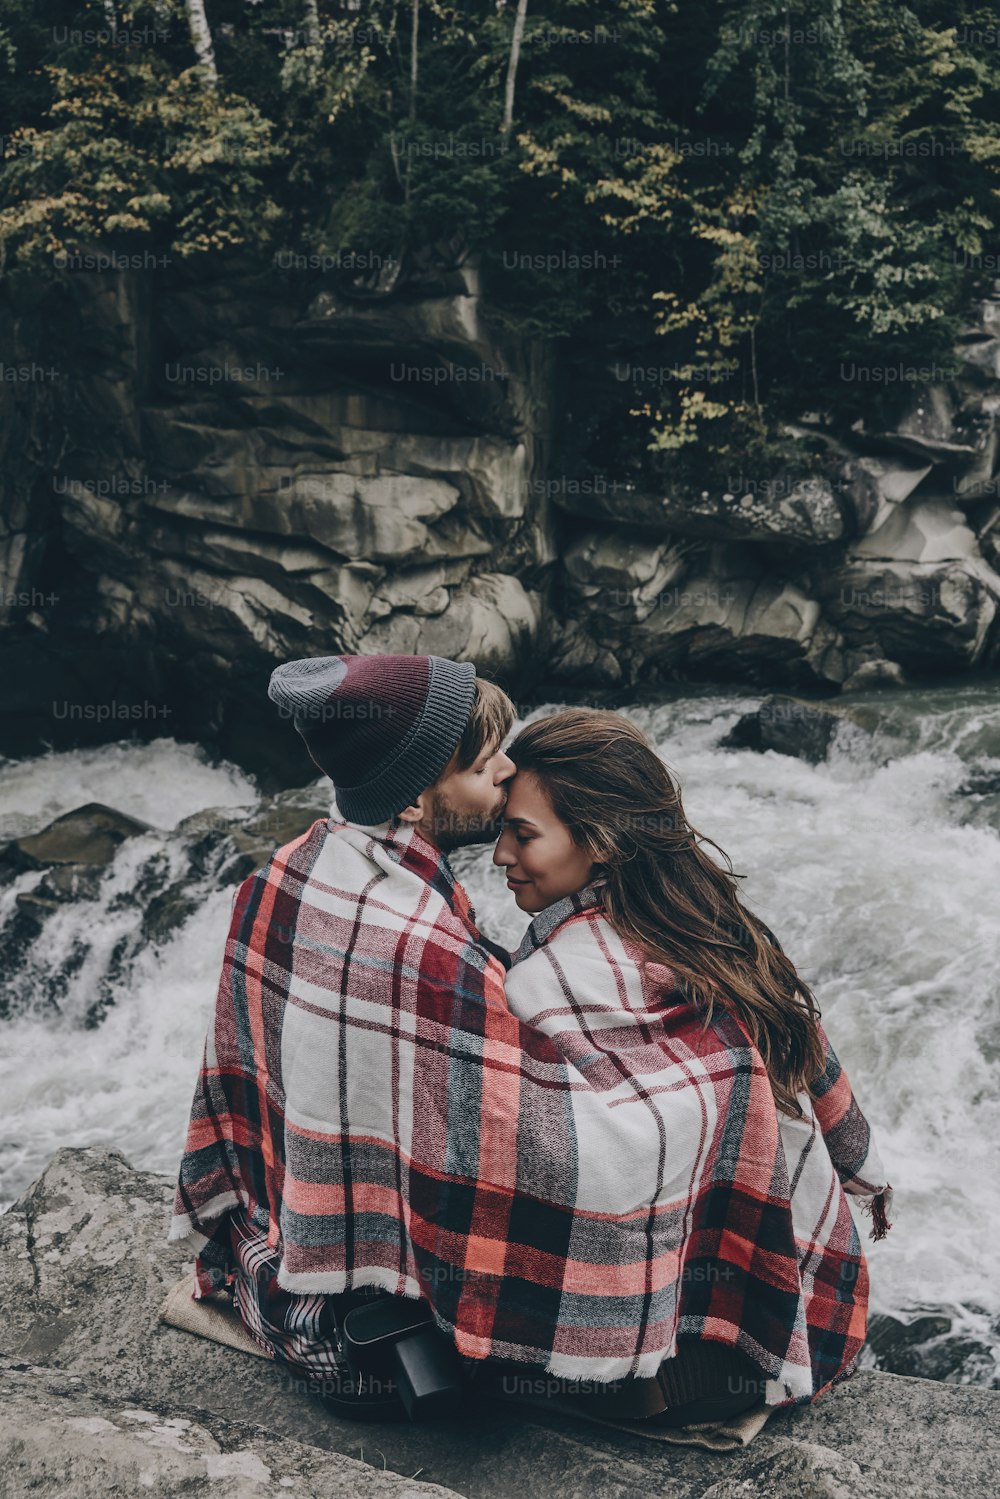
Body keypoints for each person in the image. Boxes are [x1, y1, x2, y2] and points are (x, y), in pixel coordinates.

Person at [491, 707, 893, 1426]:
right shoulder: (710, 925)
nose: (499, 854)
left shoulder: (552, 976)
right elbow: (815, 1080)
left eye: (523, 833)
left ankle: (646, 1365)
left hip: (659, 1339)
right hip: (794, 1301)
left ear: (603, 842)